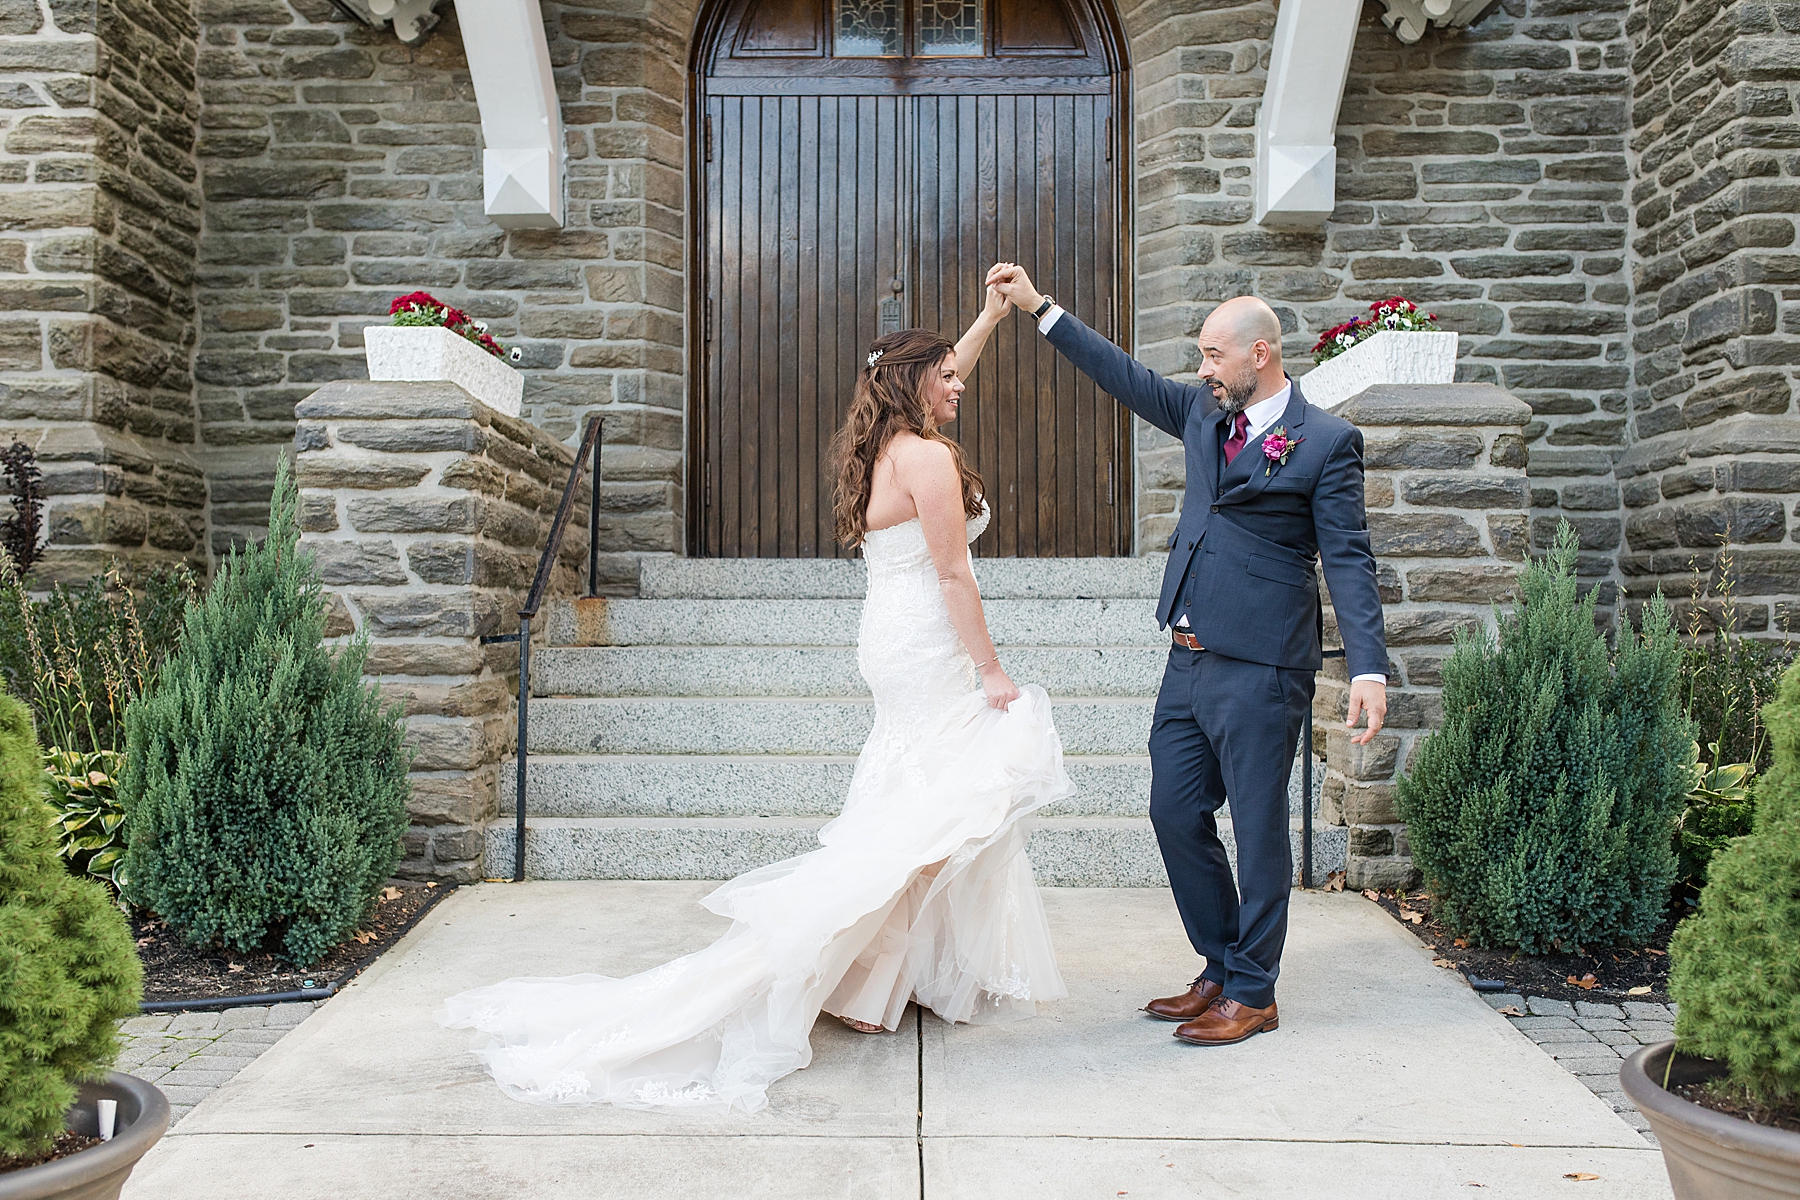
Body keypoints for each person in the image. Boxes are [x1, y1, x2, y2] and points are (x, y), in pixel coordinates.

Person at [441, 288, 1073, 1110]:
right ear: (916, 382)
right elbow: (954, 572)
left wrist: (989, 321)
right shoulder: (929, 460)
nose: (962, 385)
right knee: (944, 810)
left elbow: (937, 389)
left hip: (892, 639)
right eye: (948, 376)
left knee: (917, 806)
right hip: (931, 645)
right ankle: (852, 969)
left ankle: (878, 981)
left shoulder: (888, 444)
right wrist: (992, 669)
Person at [986, 263, 1388, 1047]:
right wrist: (1039, 309)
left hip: (1264, 665)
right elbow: (1123, 376)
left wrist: (1368, 667)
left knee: (1261, 828)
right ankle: (1219, 963)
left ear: (1260, 355)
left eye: (1213, 354)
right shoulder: (1205, 415)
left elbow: (1349, 558)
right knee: (1174, 810)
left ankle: (1254, 990)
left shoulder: (1328, 443)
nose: (1202, 369)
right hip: (1189, 655)